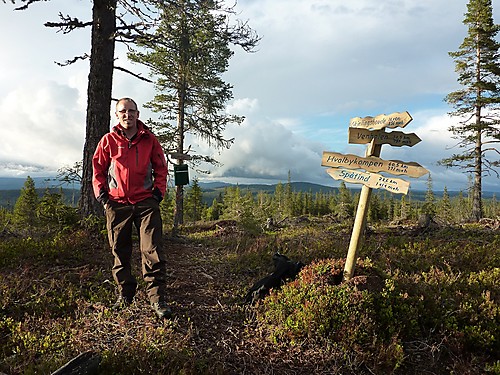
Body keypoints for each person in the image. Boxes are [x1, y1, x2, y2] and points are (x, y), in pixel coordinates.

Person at [92, 97, 171, 319]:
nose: (128, 115)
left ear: (138, 114)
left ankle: (157, 299)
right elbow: (98, 169)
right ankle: (125, 296)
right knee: (120, 251)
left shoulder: (150, 140)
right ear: (117, 115)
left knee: (152, 251)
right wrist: (103, 197)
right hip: (117, 205)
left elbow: (161, 169)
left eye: (132, 111)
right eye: (123, 111)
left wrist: (157, 194)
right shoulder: (108, 141)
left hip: (146, 203)